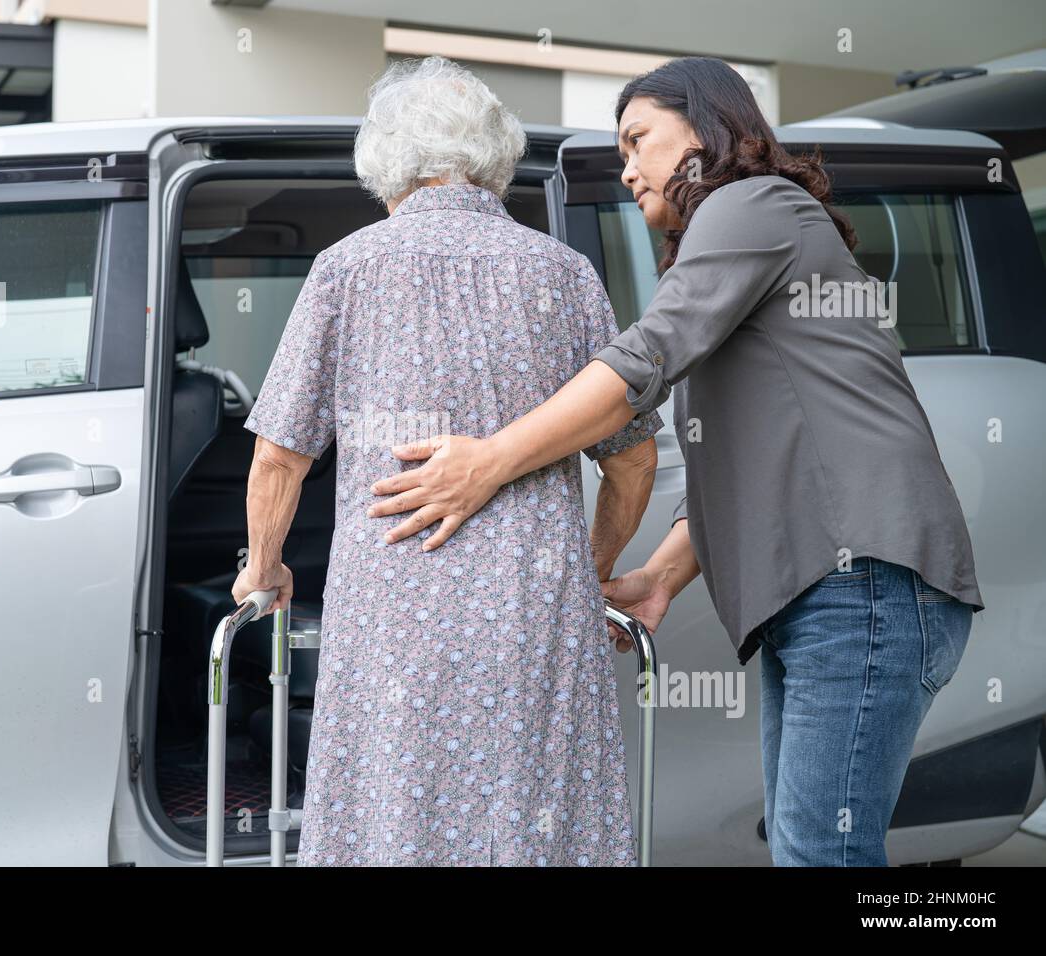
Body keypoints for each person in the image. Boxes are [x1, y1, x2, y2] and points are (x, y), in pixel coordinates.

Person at [366, 56, 985, 866]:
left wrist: (492, 460)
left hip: (860, 581)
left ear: (706, 126)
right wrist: (659, 578)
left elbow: (641, 361)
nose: (626, 169)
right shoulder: (740, 239)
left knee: (818, 853)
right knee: (813, 849)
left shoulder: (751, 202)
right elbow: (747, 460)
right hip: (833, 593)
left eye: (637, 139)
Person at [232, 55, 662, 865]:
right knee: (538, 814)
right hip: (536, 617)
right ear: (497, 157)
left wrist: (264, 571)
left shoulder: (347, 270)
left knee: (396, 813)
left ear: (384, 161)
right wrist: (588, 570)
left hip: (393, 618)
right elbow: (632, 464)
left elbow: (279, 460)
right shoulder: (566, 275)